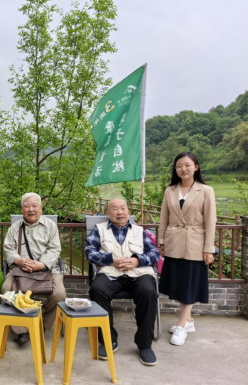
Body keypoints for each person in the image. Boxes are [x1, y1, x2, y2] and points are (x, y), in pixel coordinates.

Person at [85, 198, 161, 366]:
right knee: (97, 289)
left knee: (148, 292)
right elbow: (89, 252)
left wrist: (137, 260)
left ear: (128, 211)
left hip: (139, 273)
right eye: (115, 209)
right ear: (108, 213)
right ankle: (108, 339)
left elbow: (154, 253)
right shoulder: (99, 229)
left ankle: (144, 344)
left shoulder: (140, 231)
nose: (119, 212)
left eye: (123, 208)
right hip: (111, 273)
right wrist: (111, 260)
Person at [159, 152, 216, 346]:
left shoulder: (206, 190)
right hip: (174, 242)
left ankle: (181, 325)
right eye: (179, 166)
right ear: (175, 169)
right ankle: (189, 320)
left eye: (187, 165)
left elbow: (210, 221)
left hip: (195, 245)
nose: (183, 169)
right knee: (178, 284)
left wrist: (209, 249)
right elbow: (164, 218)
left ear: (196, 167)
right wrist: (162, 242)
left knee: (189, 285)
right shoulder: (170, 190)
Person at [1, 193, 66, 347]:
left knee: (59, 294)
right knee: (6, 290)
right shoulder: (15, 228)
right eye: (27, 206)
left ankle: (42, 325)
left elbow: (55, 249)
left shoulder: (50, 226)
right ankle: (21, 329)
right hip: (20, 270)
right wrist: (18, 260)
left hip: (47, 269)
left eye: (34, 205)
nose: (31, 209)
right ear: (21, 209)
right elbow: (8, 249)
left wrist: (42, 264)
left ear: (41, 208)